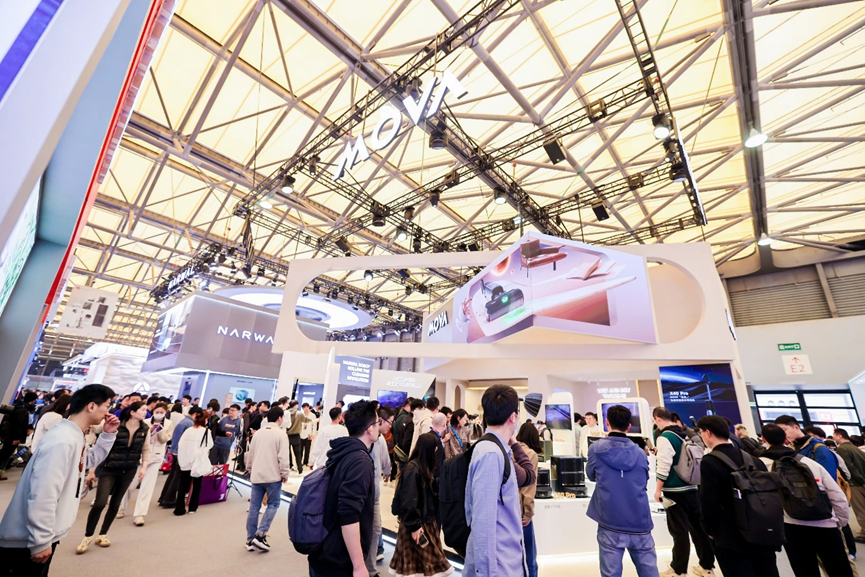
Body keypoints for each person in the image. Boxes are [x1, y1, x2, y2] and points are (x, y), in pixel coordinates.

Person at [0, 385, 118, 574]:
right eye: (107, 405)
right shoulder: (62, 440)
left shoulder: (73, 434)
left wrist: (108, 434)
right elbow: (43, 493)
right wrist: (41, 540)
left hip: (40, 534)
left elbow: (87, 461)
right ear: (91, 406)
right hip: (27, 540)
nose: (108, 411)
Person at [761, 424, 852, 577]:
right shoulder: (809, 462)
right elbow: (837, 496)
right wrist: (840, 522)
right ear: (786, 439)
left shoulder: (762, 465)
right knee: (839, 569)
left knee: (805, 571)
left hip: (791, 526)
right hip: (825, 523)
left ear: (763, 439)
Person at [464, 385, 537, 576]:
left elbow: (528, 476)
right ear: (513, 417)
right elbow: (483, 522)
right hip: (499, 566)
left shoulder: (497, 448)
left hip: (507, 561)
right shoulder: (491, 453)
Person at [696, 416, 780, 577]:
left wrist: (709, 529)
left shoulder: (710, 461)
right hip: (762, 528)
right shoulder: (753, 459)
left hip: (731, 534)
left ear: (708, 433)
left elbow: (708, 500)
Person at [308, 400, 379, 577]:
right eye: (377, 423)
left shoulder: (342, 451)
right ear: (369, 429)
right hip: (339, 560)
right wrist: (359, 565)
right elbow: (349, 513)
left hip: (324, 549)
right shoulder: (360, 461)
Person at [586, 405, 658, 577]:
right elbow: (643, 480)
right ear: (629, 426)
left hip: (610, 521)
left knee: (611, 574)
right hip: (640, 521)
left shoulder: (596, 449)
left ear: (607, 422)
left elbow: (591, 475)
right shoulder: (641, 453)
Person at [76, 401, 150, 553]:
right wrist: (92, 471)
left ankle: (103, 534)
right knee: (100, 503)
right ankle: (88, 536)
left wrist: (144, 467)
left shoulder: (145, 428)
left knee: (115, 503)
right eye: (142, 410)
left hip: (129, 469)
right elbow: (102, 449)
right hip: (110, 468)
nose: (145, 412)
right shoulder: (117, 426)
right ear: (132, 412)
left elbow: (145, 449)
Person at [652, 407, 715, 577]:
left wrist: (658, 489)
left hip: (674, 490)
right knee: (698, 529)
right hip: (692, 487)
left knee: (678, 531)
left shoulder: (665, 437)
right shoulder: (683, 434)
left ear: (658, 419)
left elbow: (664, 464)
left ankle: (678, 570)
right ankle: (707, 567)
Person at [390, 432, 453, 577]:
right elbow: (409, 500)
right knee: (421, 564)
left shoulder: (421, 467)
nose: (436, 451)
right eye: (435, 448)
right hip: (417, 523)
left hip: (423, 521)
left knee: (421, 566)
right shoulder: (414, 470)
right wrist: (414, 526)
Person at [244, 406, 291, 552]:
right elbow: (283, 458)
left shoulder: (258, 433)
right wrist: (285, 474)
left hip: (257, 475)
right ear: (280, 418)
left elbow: (250, 454)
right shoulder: (281, 434)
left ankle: (250, 539)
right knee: (273, 504)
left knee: (254, 507)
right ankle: (260, 534)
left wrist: (249, 469)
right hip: (273, 476)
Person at [124, 402, 173, 526]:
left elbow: (165, 440)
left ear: (166, 413)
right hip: (140, 457)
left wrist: (159, 430)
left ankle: (139, 514)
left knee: (147, 487)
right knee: (130, 484)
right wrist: (148, 431)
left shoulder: (169, 424)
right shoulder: (144, 422)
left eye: (162, 412)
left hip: (156, 458)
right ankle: (121, 507)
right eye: (157, 412)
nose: (159, 414)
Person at [367, 406, 393, 574]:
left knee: (375, 529)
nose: (390, 426)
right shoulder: (371, 439)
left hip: (374, 492)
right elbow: (385, 461)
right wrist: (387, 472)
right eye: (389, 422)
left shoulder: (380, 439)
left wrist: (387, 472)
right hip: (364, 490)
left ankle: (370, 569)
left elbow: (384, 460)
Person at [174, 408, 212, 516]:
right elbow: (209, 445)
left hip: (185, 460)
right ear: (205, 420)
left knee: (183, 485)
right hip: (197, 461)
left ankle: (179, 509)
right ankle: (192, 507)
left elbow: (181, 444)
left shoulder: (188, 430)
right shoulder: (206, 431)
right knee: (197, 485)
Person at [516, 422, 542, 577]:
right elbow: (528, 487)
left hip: (508, 509)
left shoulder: (510, 450)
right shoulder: (530, 454)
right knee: (530, 558)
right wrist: (528, 512)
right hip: (521, 512)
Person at [158, 405, 196, 508]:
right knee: (177, 477)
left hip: (175, 450)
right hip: (180, 452)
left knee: (172, 475)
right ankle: (169, 500)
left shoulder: (183, 421)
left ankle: (163, 498)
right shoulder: (189, 424)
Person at [833, 428, 865, 543]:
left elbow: (850, 468)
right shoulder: (855, 448)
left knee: (860, 509)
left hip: (855, 483)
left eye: (834, 435)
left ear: (840, 436)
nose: (833, 438)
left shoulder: (842, 449)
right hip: (861, 481)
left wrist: (862, 481)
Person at [0, 391, 38, 479]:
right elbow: (18, 425)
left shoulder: (19, 407)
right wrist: (16, 438)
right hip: (12, 437)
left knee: (5, 453)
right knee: (5, 454)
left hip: (9, 435)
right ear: (32, 400)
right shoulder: (22, 410)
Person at [393, 398, 417, 472]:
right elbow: (405, 440)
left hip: (399, 451)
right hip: (402, 453)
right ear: (407, 406)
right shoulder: (407, 419)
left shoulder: (403, 416)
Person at [299, 402, 317, 471]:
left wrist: (313, 434)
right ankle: (299, 462)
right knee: (300, 449)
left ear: (309, 408)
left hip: (308, 434)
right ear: (303, 408)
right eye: (304, 407)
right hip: (301, 434)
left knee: (307, 449)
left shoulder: (312, 415)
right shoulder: (301, 415)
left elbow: (314, 426)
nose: (306, 409)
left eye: (307, 407)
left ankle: (305, 462)